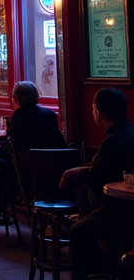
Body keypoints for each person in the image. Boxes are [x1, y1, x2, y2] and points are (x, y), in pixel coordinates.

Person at [63, 87, 134, 280]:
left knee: (79, 230)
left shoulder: (111, 141)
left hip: (121, 211)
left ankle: (92, 274)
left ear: (98, 111)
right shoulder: (130, 133)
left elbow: (96, 179)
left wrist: (82, 171)